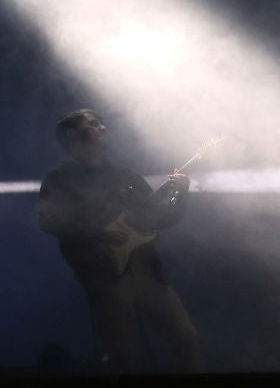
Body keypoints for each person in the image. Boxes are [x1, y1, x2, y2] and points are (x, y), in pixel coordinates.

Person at [37, 108, 203, 372]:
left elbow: (157, 219)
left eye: (100, 124)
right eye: (92, 124)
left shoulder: (126, 175)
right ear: (71, 135)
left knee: (186, 340)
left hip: (148, 272)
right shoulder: (59, 179)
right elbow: (48, 221)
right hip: (105, 276)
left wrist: (180, 195)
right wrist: (97, 233)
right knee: (123, 356)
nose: (101, 128)